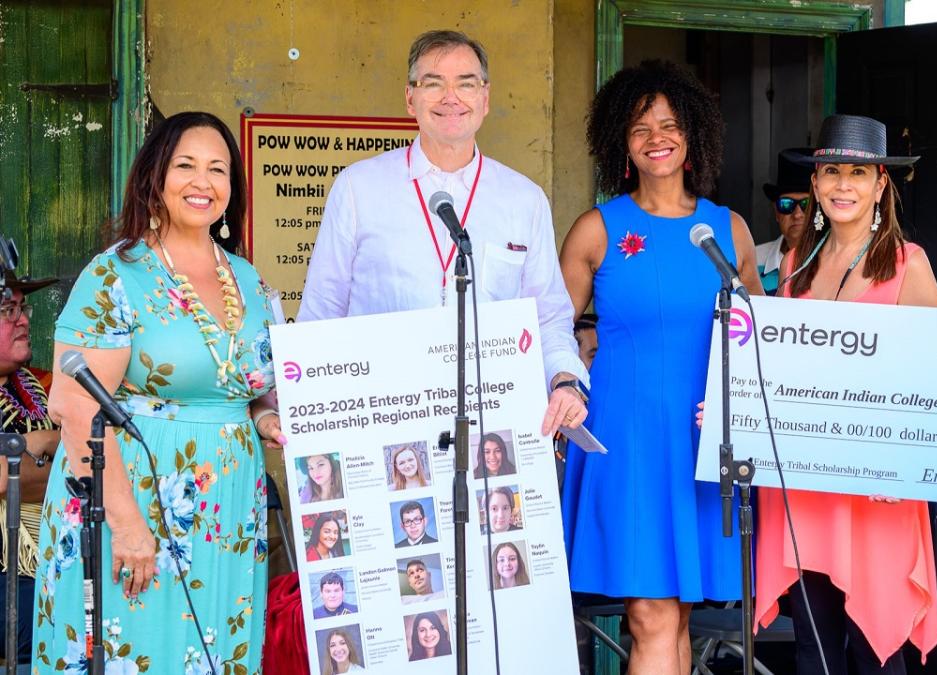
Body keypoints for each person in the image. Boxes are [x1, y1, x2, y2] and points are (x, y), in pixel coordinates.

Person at [34, 111, 284, 674]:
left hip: (228, 513)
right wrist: (125, 523)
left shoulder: (250, 281)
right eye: (186, 166)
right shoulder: (117, 275)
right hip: (135, 500)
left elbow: (252, 388)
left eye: (218, 169)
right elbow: (74, 404)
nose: (203, 182)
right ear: (155, 176)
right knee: (139, 652)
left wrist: (267, 420)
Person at [558, 59, 763, 674]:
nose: (656, 138)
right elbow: (548, 332)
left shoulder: (729, 230)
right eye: (640, 127)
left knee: (678, 618)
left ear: (692, 134)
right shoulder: (597, 229)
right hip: (628, 442)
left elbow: (758, 339)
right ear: (620, 141)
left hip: (705, 442)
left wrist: (736, 404)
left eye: (670, 124)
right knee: (650, 615)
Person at [298, 29, 588, 438]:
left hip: (492, 425)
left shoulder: (524, 200)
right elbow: (321, 315)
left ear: (485, 99)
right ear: (409, 97)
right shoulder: (358, 188)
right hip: (381, 420)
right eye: (433, 83)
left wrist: (564, 381)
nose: (450, 97)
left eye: (466, 84)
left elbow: (549, 318)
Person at [752, 115, 937, 675]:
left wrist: (901, 460)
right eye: (830, 171)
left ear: (881, 184)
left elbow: (934, 374)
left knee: (875, 649)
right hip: (807, 480)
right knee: (813, 649)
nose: (842, 184)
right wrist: (734, 410)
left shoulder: (909, 263)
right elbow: (780, 367)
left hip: (877, 483)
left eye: (857, 172)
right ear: (814, 184)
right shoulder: (796, 264)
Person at [0, 271, 61, 667]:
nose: (23, 320)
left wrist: (44, 445)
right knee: (33, 622)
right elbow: (7, 479)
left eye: (23, 308)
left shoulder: (35, 386)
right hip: (8, 569)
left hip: (49, 551)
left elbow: (84, 461)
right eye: (8, 310)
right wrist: (46, 448)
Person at [756, 149, 812, 295]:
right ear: (776, 212)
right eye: (786, 204)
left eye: (806, 204)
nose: (797, 214)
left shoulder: (837, 265)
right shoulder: (753, 260)